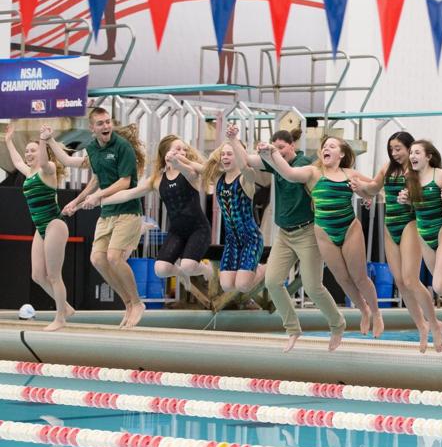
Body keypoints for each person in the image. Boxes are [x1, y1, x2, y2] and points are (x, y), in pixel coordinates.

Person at [259, 135, 384, 338]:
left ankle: (377, 313)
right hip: (324, 232)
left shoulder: (350, 173)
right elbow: (289, 173)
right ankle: (364, 310)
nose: (326, 148)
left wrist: (364, 192)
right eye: (324, 146)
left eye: (332, 146)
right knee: (342, 278)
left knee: (359, 277)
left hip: (349, 229)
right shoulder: (313, 172)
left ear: (341, 154)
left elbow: (375, 188)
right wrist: (273, 153)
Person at [232, 128, 346, 352]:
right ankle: (293, 330)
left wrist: (272, 154)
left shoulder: (307, 163)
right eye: (278, 149)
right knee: (272, 282)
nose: (280, 152)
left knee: (313, 287)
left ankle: (337, 324)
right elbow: (245, 160)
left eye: (283, 148)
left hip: (307, 233)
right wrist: (233, 140)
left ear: (292, 146)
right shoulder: (275, 162)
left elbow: (292, 173)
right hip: (284, 234)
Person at [52, 108, 146, 328]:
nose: (106, 127)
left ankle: (137, 302)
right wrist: (76, 202)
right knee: (97, 259)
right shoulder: (93, 149)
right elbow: (95, 180)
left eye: (107, 122)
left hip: (127, 211)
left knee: (114, 257)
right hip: (107, 213)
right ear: (92, 128)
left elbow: (125, 181)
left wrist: (97, 196)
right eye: (100, 124)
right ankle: (128, 302)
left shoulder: (123, 147)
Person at [101, 134, 216, 306]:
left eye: (184, 149)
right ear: (165, 154)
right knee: (161, 270)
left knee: (189, 265)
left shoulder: (191, 173)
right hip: (177, 231)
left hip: (198, 228)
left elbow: (187, 171)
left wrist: (178, 163)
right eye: (177, 149)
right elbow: (130, 193)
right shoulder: (157, 179)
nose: (182, 152)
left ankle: (206, 269)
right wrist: (101, 200)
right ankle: (181, 272)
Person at [353, 132, 442, 352]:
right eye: (391, 149)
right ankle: (421, 325)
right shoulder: (387, 168)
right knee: (401, 283)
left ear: (410, 148)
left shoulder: (418, 170)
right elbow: (374, 187)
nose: (395, 153)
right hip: (389, 226)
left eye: (399, 148)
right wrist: (360, 188)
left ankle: (436, 324)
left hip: (410, 224)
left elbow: (431, 193)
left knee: (411, 280)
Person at [397, 140, 442, 356]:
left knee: (439, 285)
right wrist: (404, 200)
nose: (412, 155)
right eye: (411, 152)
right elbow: (411, 205)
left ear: (428, 156)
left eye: (417, 152)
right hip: (424, 235)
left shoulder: (441, 175)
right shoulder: (409, 178)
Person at [5, 124, 74, 331]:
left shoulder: (49, 169)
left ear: (42, 152)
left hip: (54, 224)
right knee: (37, 276)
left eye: (32, 150)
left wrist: (43, 140)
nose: (28, 154)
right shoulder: (29, 173)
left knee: (54, 275)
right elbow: (17, 161)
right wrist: (8, 140)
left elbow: (44, 161)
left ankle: (60, 317)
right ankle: (66, 307)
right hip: (40, 227)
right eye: (27, 151)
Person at [201, 127, 266, 306]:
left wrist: (234, 140)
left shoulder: (246, 179)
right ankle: (252, 271)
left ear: (239, 155)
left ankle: (266, 269)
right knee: (227, 285)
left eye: (230, 154)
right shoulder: (220, 179)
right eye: (223, 154)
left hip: (250, 239)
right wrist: (177, 161)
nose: (226, 157)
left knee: (243, 285)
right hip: (232, 240)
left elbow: (245, 166)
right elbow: (198, 167)